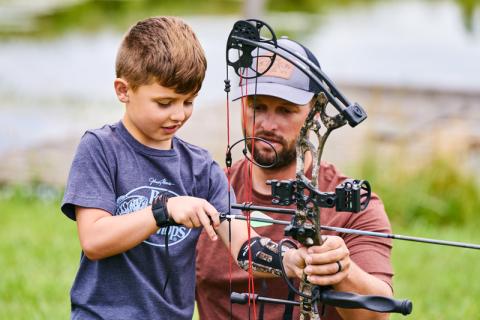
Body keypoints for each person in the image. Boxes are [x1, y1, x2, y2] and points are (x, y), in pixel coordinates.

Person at [61, 17, 331, 320]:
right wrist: (164, 211)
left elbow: (244, 245)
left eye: (189, 101)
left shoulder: (201, 167)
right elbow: (95, 241)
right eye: (165, 102)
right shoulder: (100, 148)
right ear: (124, 90)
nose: (179, 114)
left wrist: (290, 259)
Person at [196, 38, 394, 320]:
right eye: (257, 107)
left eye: (286, 110)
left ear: (315, 112)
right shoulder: (207, 194)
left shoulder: (354, 206)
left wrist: (341, 271)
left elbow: (375, 314)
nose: (267, 125)